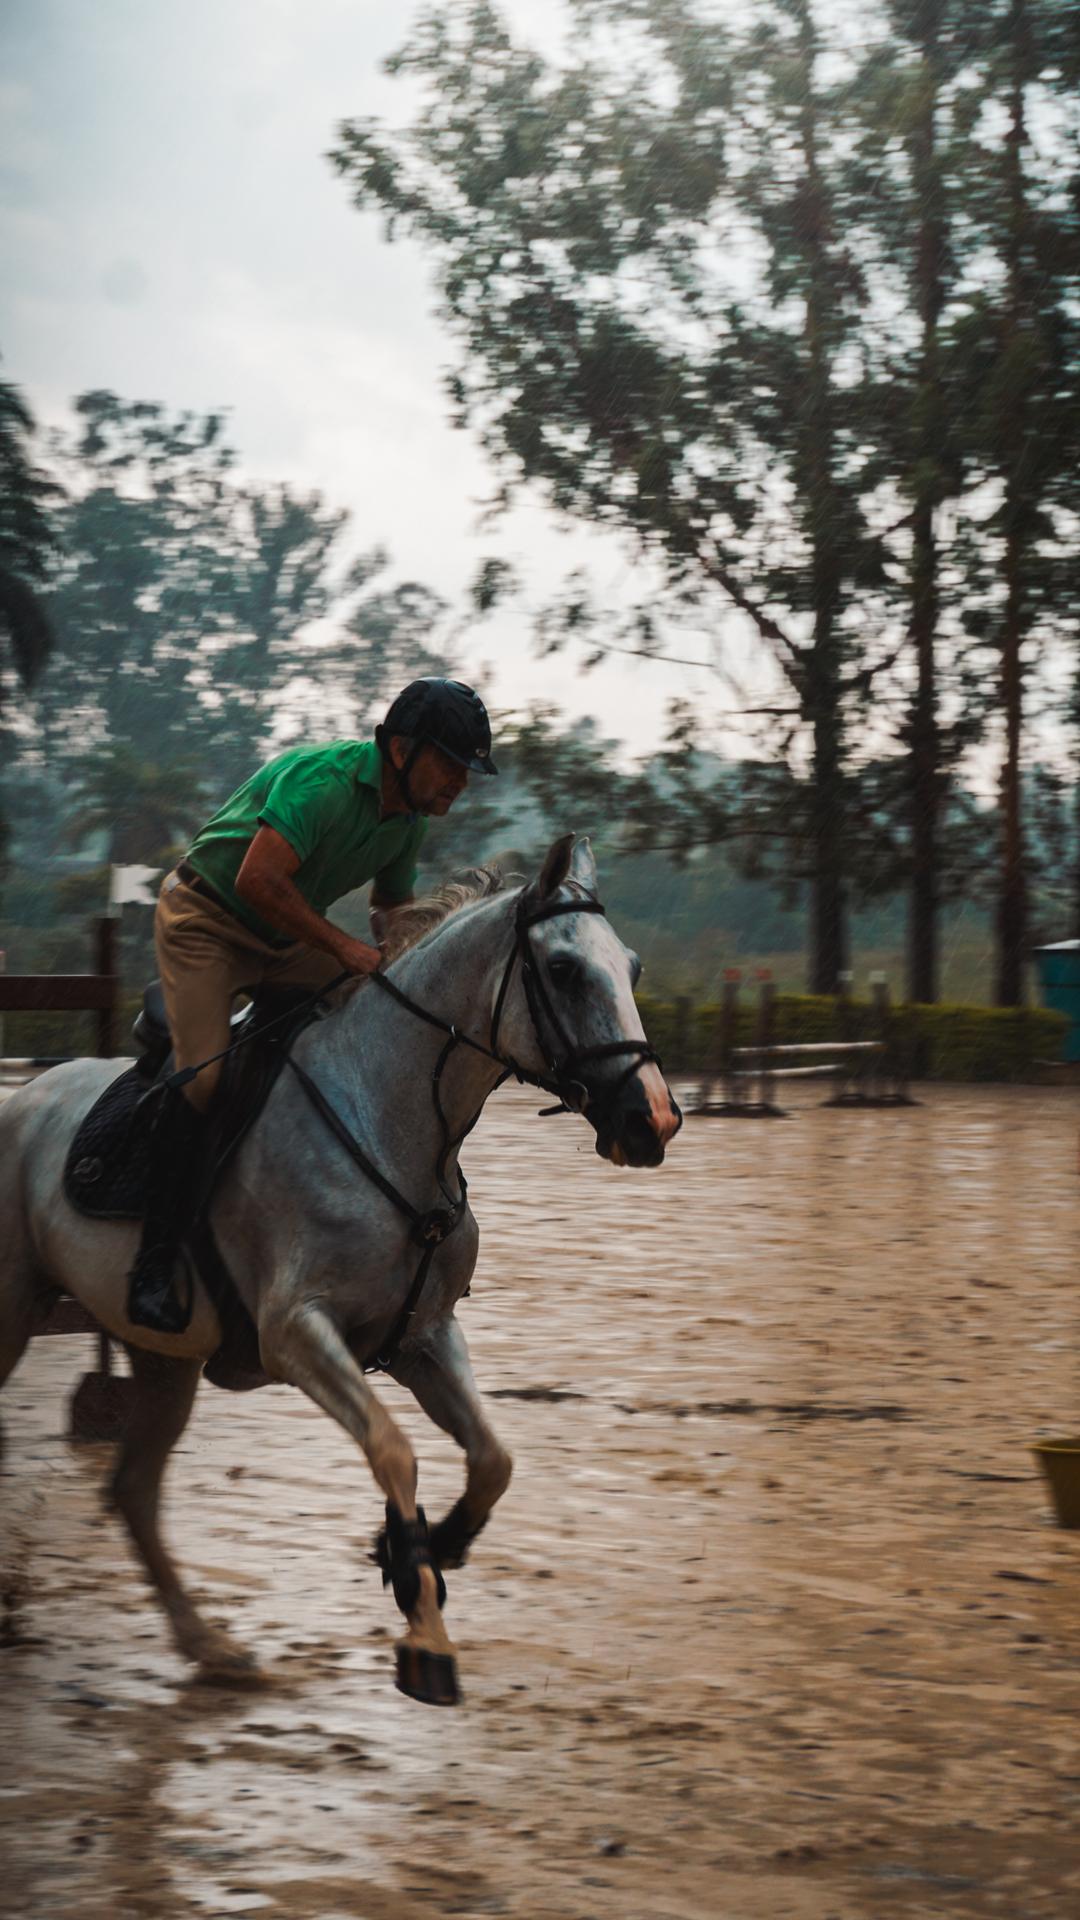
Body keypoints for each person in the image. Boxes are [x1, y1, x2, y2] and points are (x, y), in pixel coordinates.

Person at [127, 677, 497, 1333]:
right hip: (205, 920)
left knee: (378, 1013)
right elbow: (257, 879)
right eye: (451, 763)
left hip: (284, 934)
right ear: (403, 749)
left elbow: (390, 912)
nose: (460, 783)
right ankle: (153, 1263)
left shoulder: (406, 821)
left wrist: (402, 975)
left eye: (467, 771)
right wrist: (345, 950)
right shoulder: (323, 783)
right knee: (206, 1077)